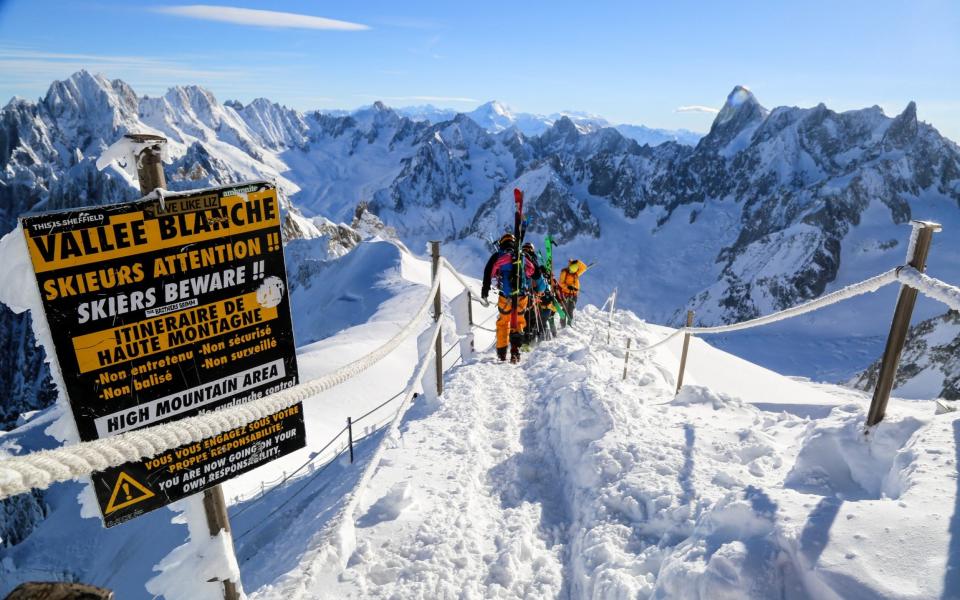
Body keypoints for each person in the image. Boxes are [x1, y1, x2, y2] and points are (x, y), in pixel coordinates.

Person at [481, 233, 539, 363]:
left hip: (505, 296)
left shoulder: (498, 256)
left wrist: (485, 290)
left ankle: (502, 353)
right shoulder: (523, 256)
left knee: (503, 322)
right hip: (522, 296)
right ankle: (515, 351)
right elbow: (534, 273)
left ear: (502, 243)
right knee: (518, 322)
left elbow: (489, 272)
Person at [558, 258, 590, 327]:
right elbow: (560, 283)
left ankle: (569, 325)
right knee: (565, 310)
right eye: (571, 271)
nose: (571, 272)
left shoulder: (576, 273)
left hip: (574, 295)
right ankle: (562, 326)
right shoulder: (564, 272)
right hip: (565, 294)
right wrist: (567, 287)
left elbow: (584, 268)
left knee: (570, 310)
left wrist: (577, 262)